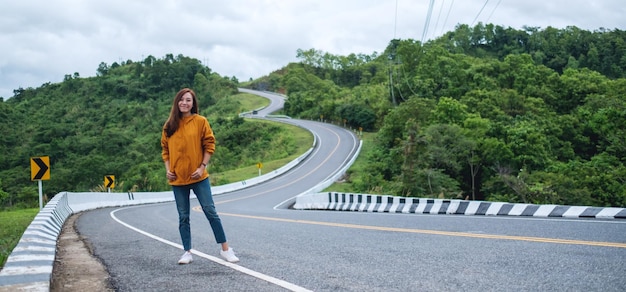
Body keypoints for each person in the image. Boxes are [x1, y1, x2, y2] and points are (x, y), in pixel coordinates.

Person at [161, 88, 239, 264]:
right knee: (183, 217)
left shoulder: (200, 122)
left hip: (199, 177)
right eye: (181, 100)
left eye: (188, 100)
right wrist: (168, 169)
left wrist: (202, 166)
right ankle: (187, 252)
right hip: (177, 179)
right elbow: (165, 150)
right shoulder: (169, 126)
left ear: (193, 103)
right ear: (177, 102)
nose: (184, 103)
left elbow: (209, 144)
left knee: (210, 211)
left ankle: (226, 249)